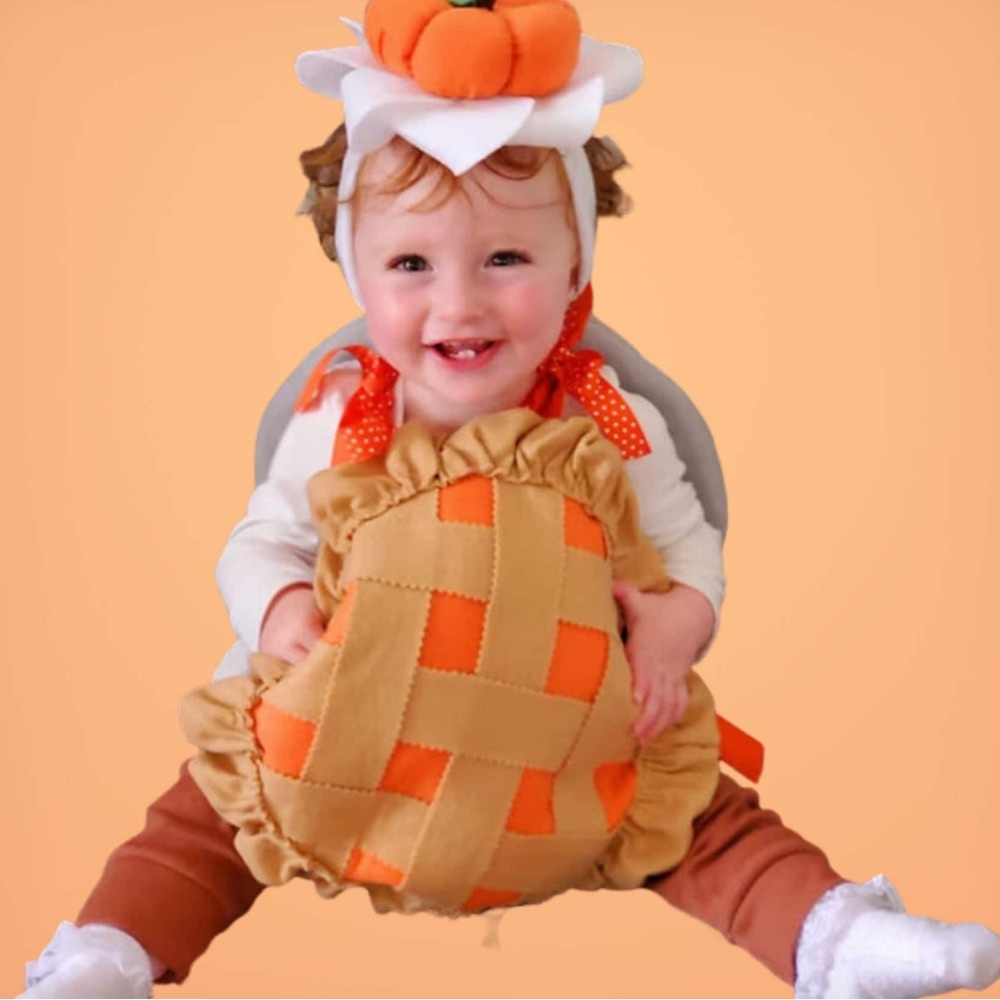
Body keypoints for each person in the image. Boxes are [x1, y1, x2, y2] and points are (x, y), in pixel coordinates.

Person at [19, 6, 1000, 999]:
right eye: (411, 264)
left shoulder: (612, 421)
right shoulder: (343, 416)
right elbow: (259, 541)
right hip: (353, 726)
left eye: (505, 259)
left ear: (576, 265)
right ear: (356, 270)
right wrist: (278, 612)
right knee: (209, 814)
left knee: (706, 818)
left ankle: (838, 940)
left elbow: (689, 545)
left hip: (568, 742)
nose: (460, 302)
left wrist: (672, 629)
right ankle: (113, 953)